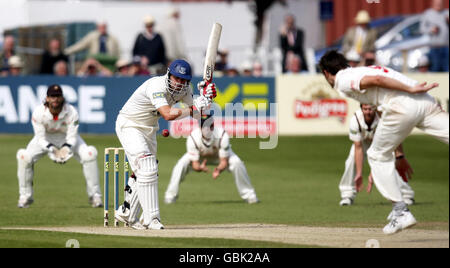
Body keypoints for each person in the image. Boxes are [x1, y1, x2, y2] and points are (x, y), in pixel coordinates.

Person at [319, 50, 448, 235]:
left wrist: (410, 89)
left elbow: (377, 80)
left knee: (375, 155)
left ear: (326, 73)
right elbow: (383, 99)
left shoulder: (342, 78)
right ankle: (399, 208)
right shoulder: (362, 70)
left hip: (404, 103)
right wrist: (399, 155)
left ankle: (401, 212)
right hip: (424, 101)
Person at [113, 59, 217, 230]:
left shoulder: (185, 90)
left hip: (150, 128)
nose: (180, 84)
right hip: (129, 124)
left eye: (184, 80)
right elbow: (168, 115)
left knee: (147, 170)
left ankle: (126, 214)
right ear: (169, 75)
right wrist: (193, 109)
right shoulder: (156, 86)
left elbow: (199, 118)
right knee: (146, 165)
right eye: (177, 79)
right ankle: (151, 219)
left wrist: (206, 101)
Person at [16, 84, 102, 208]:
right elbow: (40, 137)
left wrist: (66, 148)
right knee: (24, 157)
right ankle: (25, 197)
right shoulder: (38, 112)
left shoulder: (71, 111)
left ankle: (95, 196)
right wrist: (52, 149)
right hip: (46, 138)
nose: (55, 99)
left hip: (67, 138)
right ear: (47, 98)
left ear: (62, 98)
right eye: (52, 96)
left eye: (58, 96)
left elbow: (72, 136)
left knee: (90, 154)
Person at [164, 114, 259, 204]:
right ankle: (170, 196)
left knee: (237, 163)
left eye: (209, 126)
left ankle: (250, 196)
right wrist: (199, 168)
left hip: (219, 157)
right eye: (203, 126)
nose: (206, 129)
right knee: (181, 164)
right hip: (200, 158)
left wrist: (218, 169)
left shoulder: (222, 135)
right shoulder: (193, 137)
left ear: (213, 126)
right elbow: (195, 164)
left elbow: (224, 161)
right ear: (200, 127)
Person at [339, 104, 415, 206]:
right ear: (361, 109)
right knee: (351, 159)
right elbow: (358, 147)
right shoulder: (355, 120)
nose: (368, 112)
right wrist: (359, 174)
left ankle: (406, 195)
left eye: (370, 109)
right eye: (365, 109)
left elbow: (394, 138)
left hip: (382, 143)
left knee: (390, 164)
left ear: (375, 109)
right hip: (364, 143)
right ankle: (347, 195)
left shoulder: (383, 118)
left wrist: (374, 171)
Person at [420, 0, 449, 72]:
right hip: (434, 47)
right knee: (435, 68)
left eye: (440, 4)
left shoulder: (447, 13)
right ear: (433, 4)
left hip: (446, 46)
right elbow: (422, 29)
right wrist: (431, 30)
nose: (439, 5)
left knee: (447, 69)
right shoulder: (428, 13)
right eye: (437, 4)